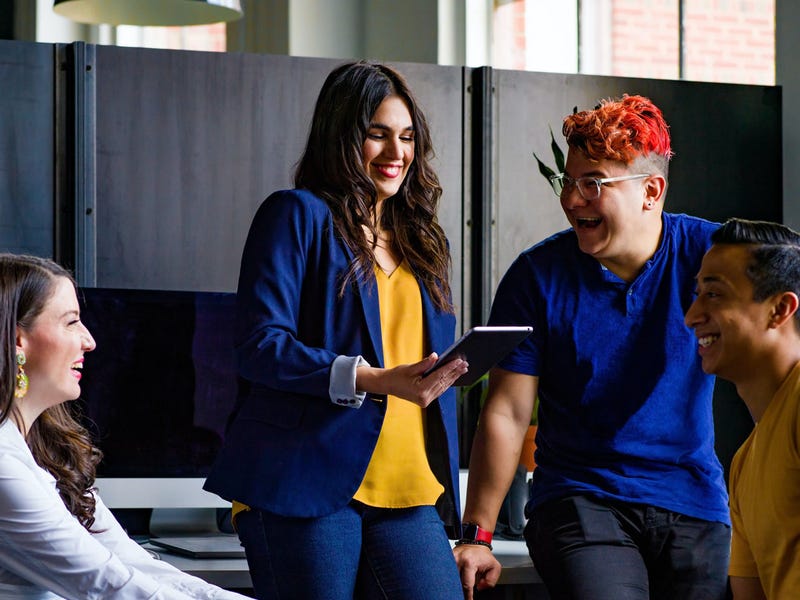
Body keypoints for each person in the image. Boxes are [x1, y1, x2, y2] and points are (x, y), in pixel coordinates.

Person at [203, 61, 468, 600]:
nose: (397, 152)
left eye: (407, 137)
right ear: (342, 136)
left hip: (409, 484)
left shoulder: (422, 240)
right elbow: (260, 345)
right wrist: (372, 378)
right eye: (378, 134)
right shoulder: (296, 215)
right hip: (305, 477)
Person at [454, 95, 731, 600]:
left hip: (692, 501)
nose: (571, 200)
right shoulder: (536, 277)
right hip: (579, 499)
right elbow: (508, 412)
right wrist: (476, 536)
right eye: (569, 182)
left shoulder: (712, 256)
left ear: (651, 191)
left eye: (593, 184)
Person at [0, 253, 248, 600]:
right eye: (72, 322)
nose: (89, 340)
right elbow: (110, 584)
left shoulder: (48, 450)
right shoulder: (3, 463)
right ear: (17, 340)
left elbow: (138, 566)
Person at [684, 218, 800, 600]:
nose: (692, 316)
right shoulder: (743, 465)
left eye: (715, 294)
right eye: (698, 294)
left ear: (779, 309)